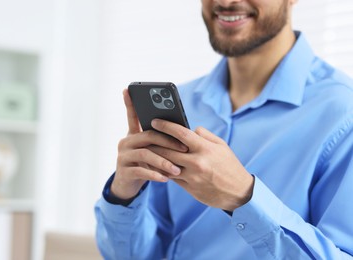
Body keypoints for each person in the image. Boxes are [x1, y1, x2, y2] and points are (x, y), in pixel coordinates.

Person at [94, 0, 353, 259]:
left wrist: (244, 198)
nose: (226, 2)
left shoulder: (342, 113)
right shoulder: (183, 105)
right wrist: (123, 196)